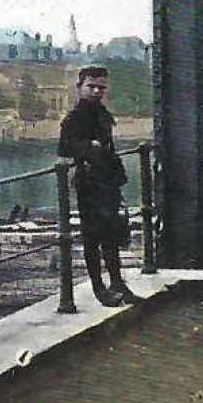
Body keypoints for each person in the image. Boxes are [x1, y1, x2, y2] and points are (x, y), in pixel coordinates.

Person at [57, 65, 138, 307]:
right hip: (89, 184)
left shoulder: (102, 114)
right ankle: (99, 288)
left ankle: (116, 282)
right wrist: (88, 147)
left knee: (111, 235)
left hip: (108, 182)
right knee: (93, 238)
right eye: (91, 87)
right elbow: (64, 148)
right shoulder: (73, 119)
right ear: (80, 87)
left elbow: (108, 148)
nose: (96, 91)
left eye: (101, 87)